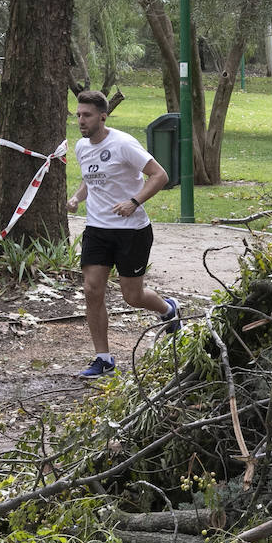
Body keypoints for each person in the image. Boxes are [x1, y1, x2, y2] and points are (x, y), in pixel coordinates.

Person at [66, 90, 180, 378]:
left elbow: (160, 175)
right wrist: (78, 198)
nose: (81, 120)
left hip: (132, 232)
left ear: (103, 117)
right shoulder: (81, 147)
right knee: (92, 290)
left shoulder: (123, 144)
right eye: (78, 114)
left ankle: (168, 309)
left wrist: (134, 202)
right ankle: (103, 359)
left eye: (87, 115)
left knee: (132, 295)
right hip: (97, 229)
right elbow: (90, 178)